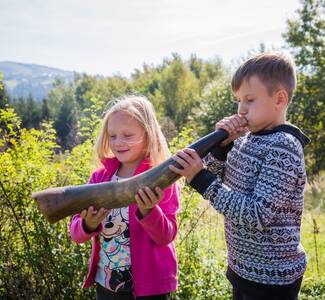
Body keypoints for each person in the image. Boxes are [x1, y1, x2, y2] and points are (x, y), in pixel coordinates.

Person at [170, 52, 310, 300]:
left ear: (279, 99)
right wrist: (221, 147)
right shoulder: (246, 141)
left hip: (272, 278)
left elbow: (256, 214)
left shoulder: (283, 147)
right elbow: (213, 177)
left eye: (250, 100)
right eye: (238, 101)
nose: (241, 109)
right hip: (243, 269)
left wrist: (201, 179)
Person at [70, 95, 179, 300]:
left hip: (150, 289)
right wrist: (88, 224)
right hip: (107, 285)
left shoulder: (162, 178)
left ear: (148, 135)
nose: (118, 142)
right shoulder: (99, 177)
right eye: (112, 136)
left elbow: (166, 236)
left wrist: (149, 210)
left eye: (127, 135)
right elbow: (76, 234)